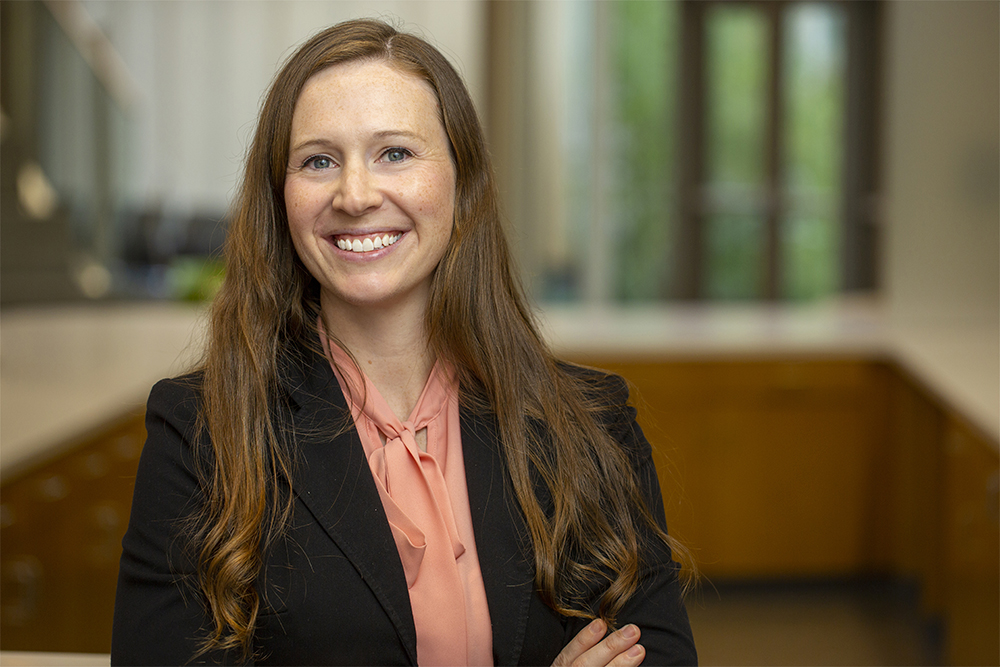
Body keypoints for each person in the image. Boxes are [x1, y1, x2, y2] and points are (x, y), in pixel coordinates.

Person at [112, 18, 697, 667]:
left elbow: (660, 652)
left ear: (460, 179)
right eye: (318, 160)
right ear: (281, 197)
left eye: (395, 152)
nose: (356, 194)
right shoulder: (201, 432)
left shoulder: (592, 421)